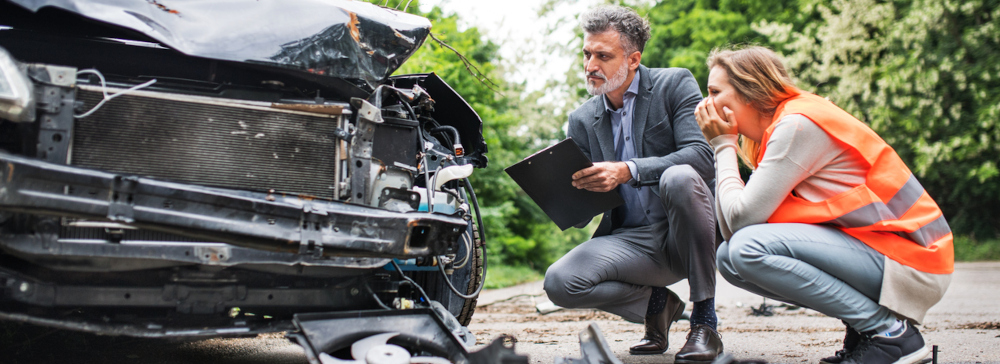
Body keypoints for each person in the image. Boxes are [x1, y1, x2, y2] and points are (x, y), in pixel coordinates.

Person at [698, 46, 953, 364]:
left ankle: (890, 334)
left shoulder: (796, 126)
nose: (705, 104)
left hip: (913, 262)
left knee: (746, 250)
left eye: (714, 92)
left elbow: (740, 223)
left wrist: (723, 146)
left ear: (750, 92)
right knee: (730, 257)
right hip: (886, 255)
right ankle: (865, 332)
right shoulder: (779, 129)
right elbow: (731, 228)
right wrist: (725, 144)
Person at [542, 5, 722, 362]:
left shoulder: (674, 84)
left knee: (679, 176)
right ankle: (658, 305)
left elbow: (702, 157)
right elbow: (581, 215)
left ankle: (705, 322)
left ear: (634, 59)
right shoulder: (581, 118)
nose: (591, 65)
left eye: (603, 56)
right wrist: (556, 188)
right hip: (633, 240)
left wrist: (628, 170)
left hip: (686, 229)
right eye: (587, 53)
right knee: (559, 283)